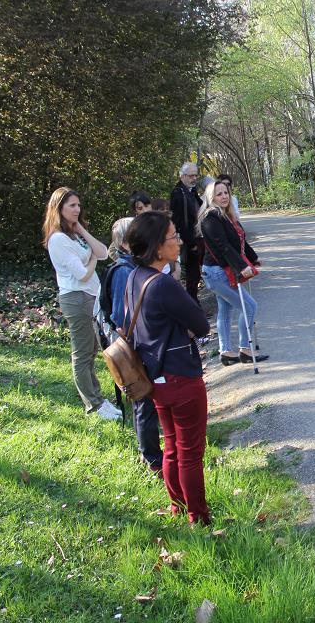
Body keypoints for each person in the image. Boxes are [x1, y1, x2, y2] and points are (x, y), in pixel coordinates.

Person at [126, 211, 212, 524]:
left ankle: (177, 505)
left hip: (155, 376)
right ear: (157, 247)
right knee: (190, 451)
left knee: (173, 446)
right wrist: (185, 326)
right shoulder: (163, 284)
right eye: (173, 236)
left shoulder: (134, 278)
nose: (178, 241)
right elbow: (201, 324)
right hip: (180, 376)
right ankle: (199, 517)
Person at [42, 187, 122, 420]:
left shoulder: (75, 234)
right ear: (59, 209)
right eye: (71, 206)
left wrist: (82, 232)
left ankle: (98, 398)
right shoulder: (57, 239)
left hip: (91, 295)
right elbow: (82, 274)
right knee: (83, 352)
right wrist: (91, 260)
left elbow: (103, 252)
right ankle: (94, 404)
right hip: (76, 298)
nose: (77, 209)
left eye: (78, 205)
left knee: (94, 349)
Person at [105, 217, 162, 474]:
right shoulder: (123, 272)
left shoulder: (132, 267)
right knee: (143, 400)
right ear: (127, 243)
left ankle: (150, 453)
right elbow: (121, 317)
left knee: (147, 400)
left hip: (140, 342)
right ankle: (151, 459)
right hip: (132, 346)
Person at [198, 179, 268, 366]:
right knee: (250, 306)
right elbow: (224, 247)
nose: (223, 196)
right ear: (211, 197)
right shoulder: (210, 218)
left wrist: (252, 259)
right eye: (218, 193)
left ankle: (226, 352)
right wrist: (241, 267)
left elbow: (240, 241)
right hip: (216, 272)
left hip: (220, 271)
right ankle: (245, 349)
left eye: (225, 193)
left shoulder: (227, 216)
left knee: (225, 310)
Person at [170, 163, 203, 302]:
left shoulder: (191, 190)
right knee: (192, 276)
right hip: (189, 242)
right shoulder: (178, 193)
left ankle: (195, 306)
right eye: (191, 176)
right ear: (182, 176)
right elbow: (181, 223)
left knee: (195, 275)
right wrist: (191, 244)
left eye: (196, 175)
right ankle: (193, 307)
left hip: (197, 238)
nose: (194, 178)